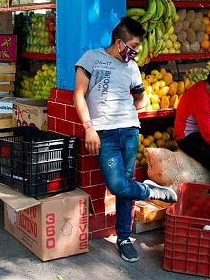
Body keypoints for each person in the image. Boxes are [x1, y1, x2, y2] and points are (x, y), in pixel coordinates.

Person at [73, 17, 178, 263]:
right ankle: (151, 191)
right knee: (118, 185)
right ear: (119, 43)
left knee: (124, 186)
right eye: (133, 46)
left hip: (130, 130)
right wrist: (89, 128)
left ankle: (123, 238)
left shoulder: (131, 67)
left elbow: (140, 98)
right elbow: (79, 94)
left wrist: (127, 110)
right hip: (104, 134)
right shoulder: (91, 58)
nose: (135, 52)